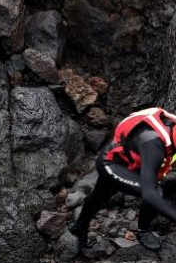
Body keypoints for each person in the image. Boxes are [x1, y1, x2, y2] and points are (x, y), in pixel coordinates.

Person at [70, 107, 176, 251]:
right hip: (112, 163)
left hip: (128, 155)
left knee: (100, 195)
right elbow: (149, 192)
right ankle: (144, 231)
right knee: (156, 192)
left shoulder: (171, 125)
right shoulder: (153, 143)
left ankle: (79, 226)